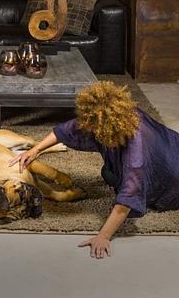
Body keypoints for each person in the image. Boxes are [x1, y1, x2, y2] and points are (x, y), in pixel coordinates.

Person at [9, 80, 179, 259]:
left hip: (172, 181)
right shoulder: (118, 113)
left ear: (107, 128)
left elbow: (127, 199)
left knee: (124, 183)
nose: (84, 127)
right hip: (173, 146)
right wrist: (35, 150)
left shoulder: (135, 153)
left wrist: (103, 236)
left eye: (91, 127)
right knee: (108, 174)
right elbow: (67, 129)